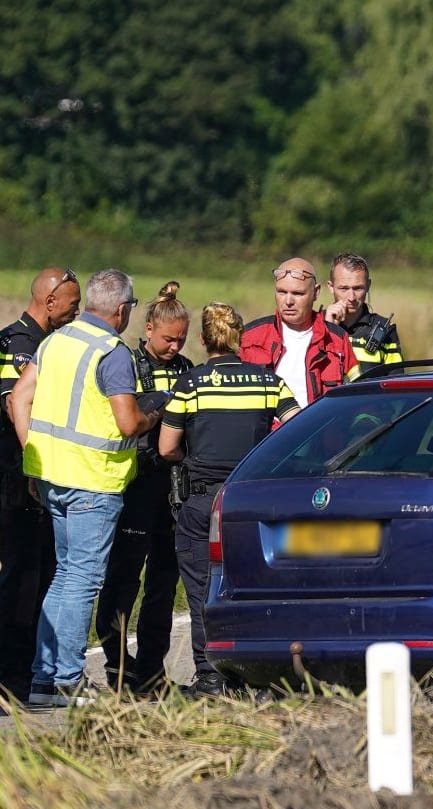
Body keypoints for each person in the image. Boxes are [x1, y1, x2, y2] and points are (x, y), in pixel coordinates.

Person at [8, 269, 164, 708]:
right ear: (122, 309)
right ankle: (67, 680)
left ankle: (45, 677)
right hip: (93, 481)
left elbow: (19, 398)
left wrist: (32, 458)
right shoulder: (113, 353)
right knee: (81, 580)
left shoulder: (56, 340)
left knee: (63, 578)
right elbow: (128, 422)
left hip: (52, 477)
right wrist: (153, 414)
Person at [160, 302, 300, 697]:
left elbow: (167, 446)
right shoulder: (267, 381)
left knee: (203, 588)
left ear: (203, 340)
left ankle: (212, 677)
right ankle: (261, 675)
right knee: (256, 586)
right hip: (250, 501)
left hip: (203, 500)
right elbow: (297, 430)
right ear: (240, 339)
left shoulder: (191, 384)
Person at [94, 282, 193, 693]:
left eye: (181, 340)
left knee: (163, 584)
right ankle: (118, 667)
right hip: (134, 487)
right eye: (168, 339)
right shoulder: (128, 364)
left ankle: (151, 670)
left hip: (171, 491)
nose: (174, 347)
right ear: (148, 328)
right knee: (123, 580)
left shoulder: (188, 370)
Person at [0, 268, 80, 700]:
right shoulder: (18, 345)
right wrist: (33, 467)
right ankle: (11, 673)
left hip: (39, 476)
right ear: (50, 303)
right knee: (22, 576)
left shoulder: (48, 345)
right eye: (73, 303)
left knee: (42, 574)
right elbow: (16, 408)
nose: (77, 311)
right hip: (19, 478)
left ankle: (30, 670)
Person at [239, 258, 356, 407]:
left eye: (298, 293)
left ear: (316, 292)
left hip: (319, 429)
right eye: (281, 292)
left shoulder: (337, 340)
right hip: (269, 430)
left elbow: (357, 396)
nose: (288, 301)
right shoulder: (250, 337)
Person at [324, 253, 404, 372]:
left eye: (358, 288)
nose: (351, 297)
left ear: (368, 285)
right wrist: (328, 328)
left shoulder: (385, 329)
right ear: (331, 287)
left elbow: (396, 382)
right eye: (344, 289)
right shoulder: (314, 324)